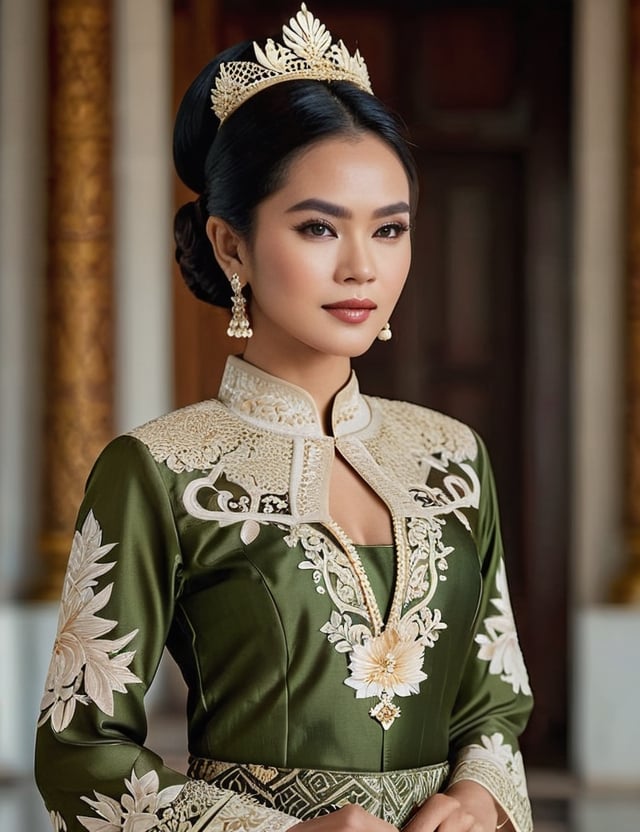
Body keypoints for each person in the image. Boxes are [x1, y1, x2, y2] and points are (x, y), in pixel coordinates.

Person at [35, 5, 534, 831]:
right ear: (231, 247)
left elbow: (495, 699)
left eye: (390, 229)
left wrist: (479, 797)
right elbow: (80, 752)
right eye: (317, 227)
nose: (361, 267)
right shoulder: (159, 469)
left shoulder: (451, 457)